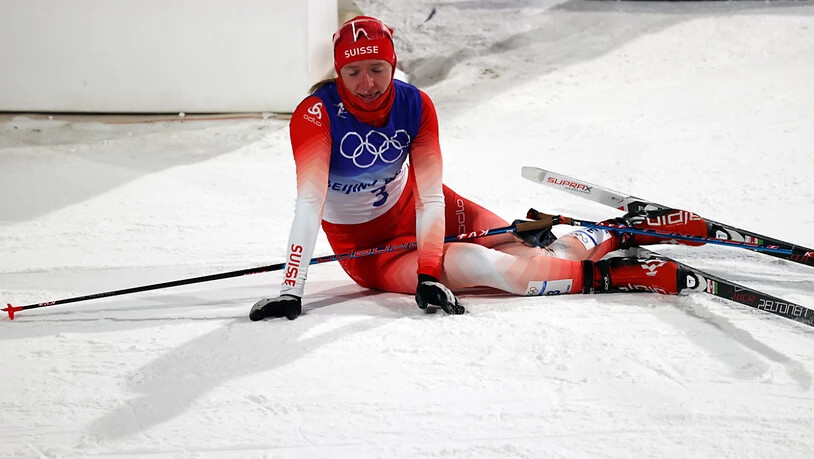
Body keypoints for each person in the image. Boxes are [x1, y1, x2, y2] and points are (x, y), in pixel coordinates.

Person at [249, 16, 709, 321]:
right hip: (372, 251)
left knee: (529, 244)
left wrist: (430, 271)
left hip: (423, 208)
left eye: (377, 69)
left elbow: (430, 196)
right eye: (353, 73)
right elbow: (309, 205)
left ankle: (619, 233)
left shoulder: (415, 104)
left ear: (393, 64)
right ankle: (618, 276)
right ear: (338, 73)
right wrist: (292, 289)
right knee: (489, 266)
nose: (366, 84)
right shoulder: (316, 116)